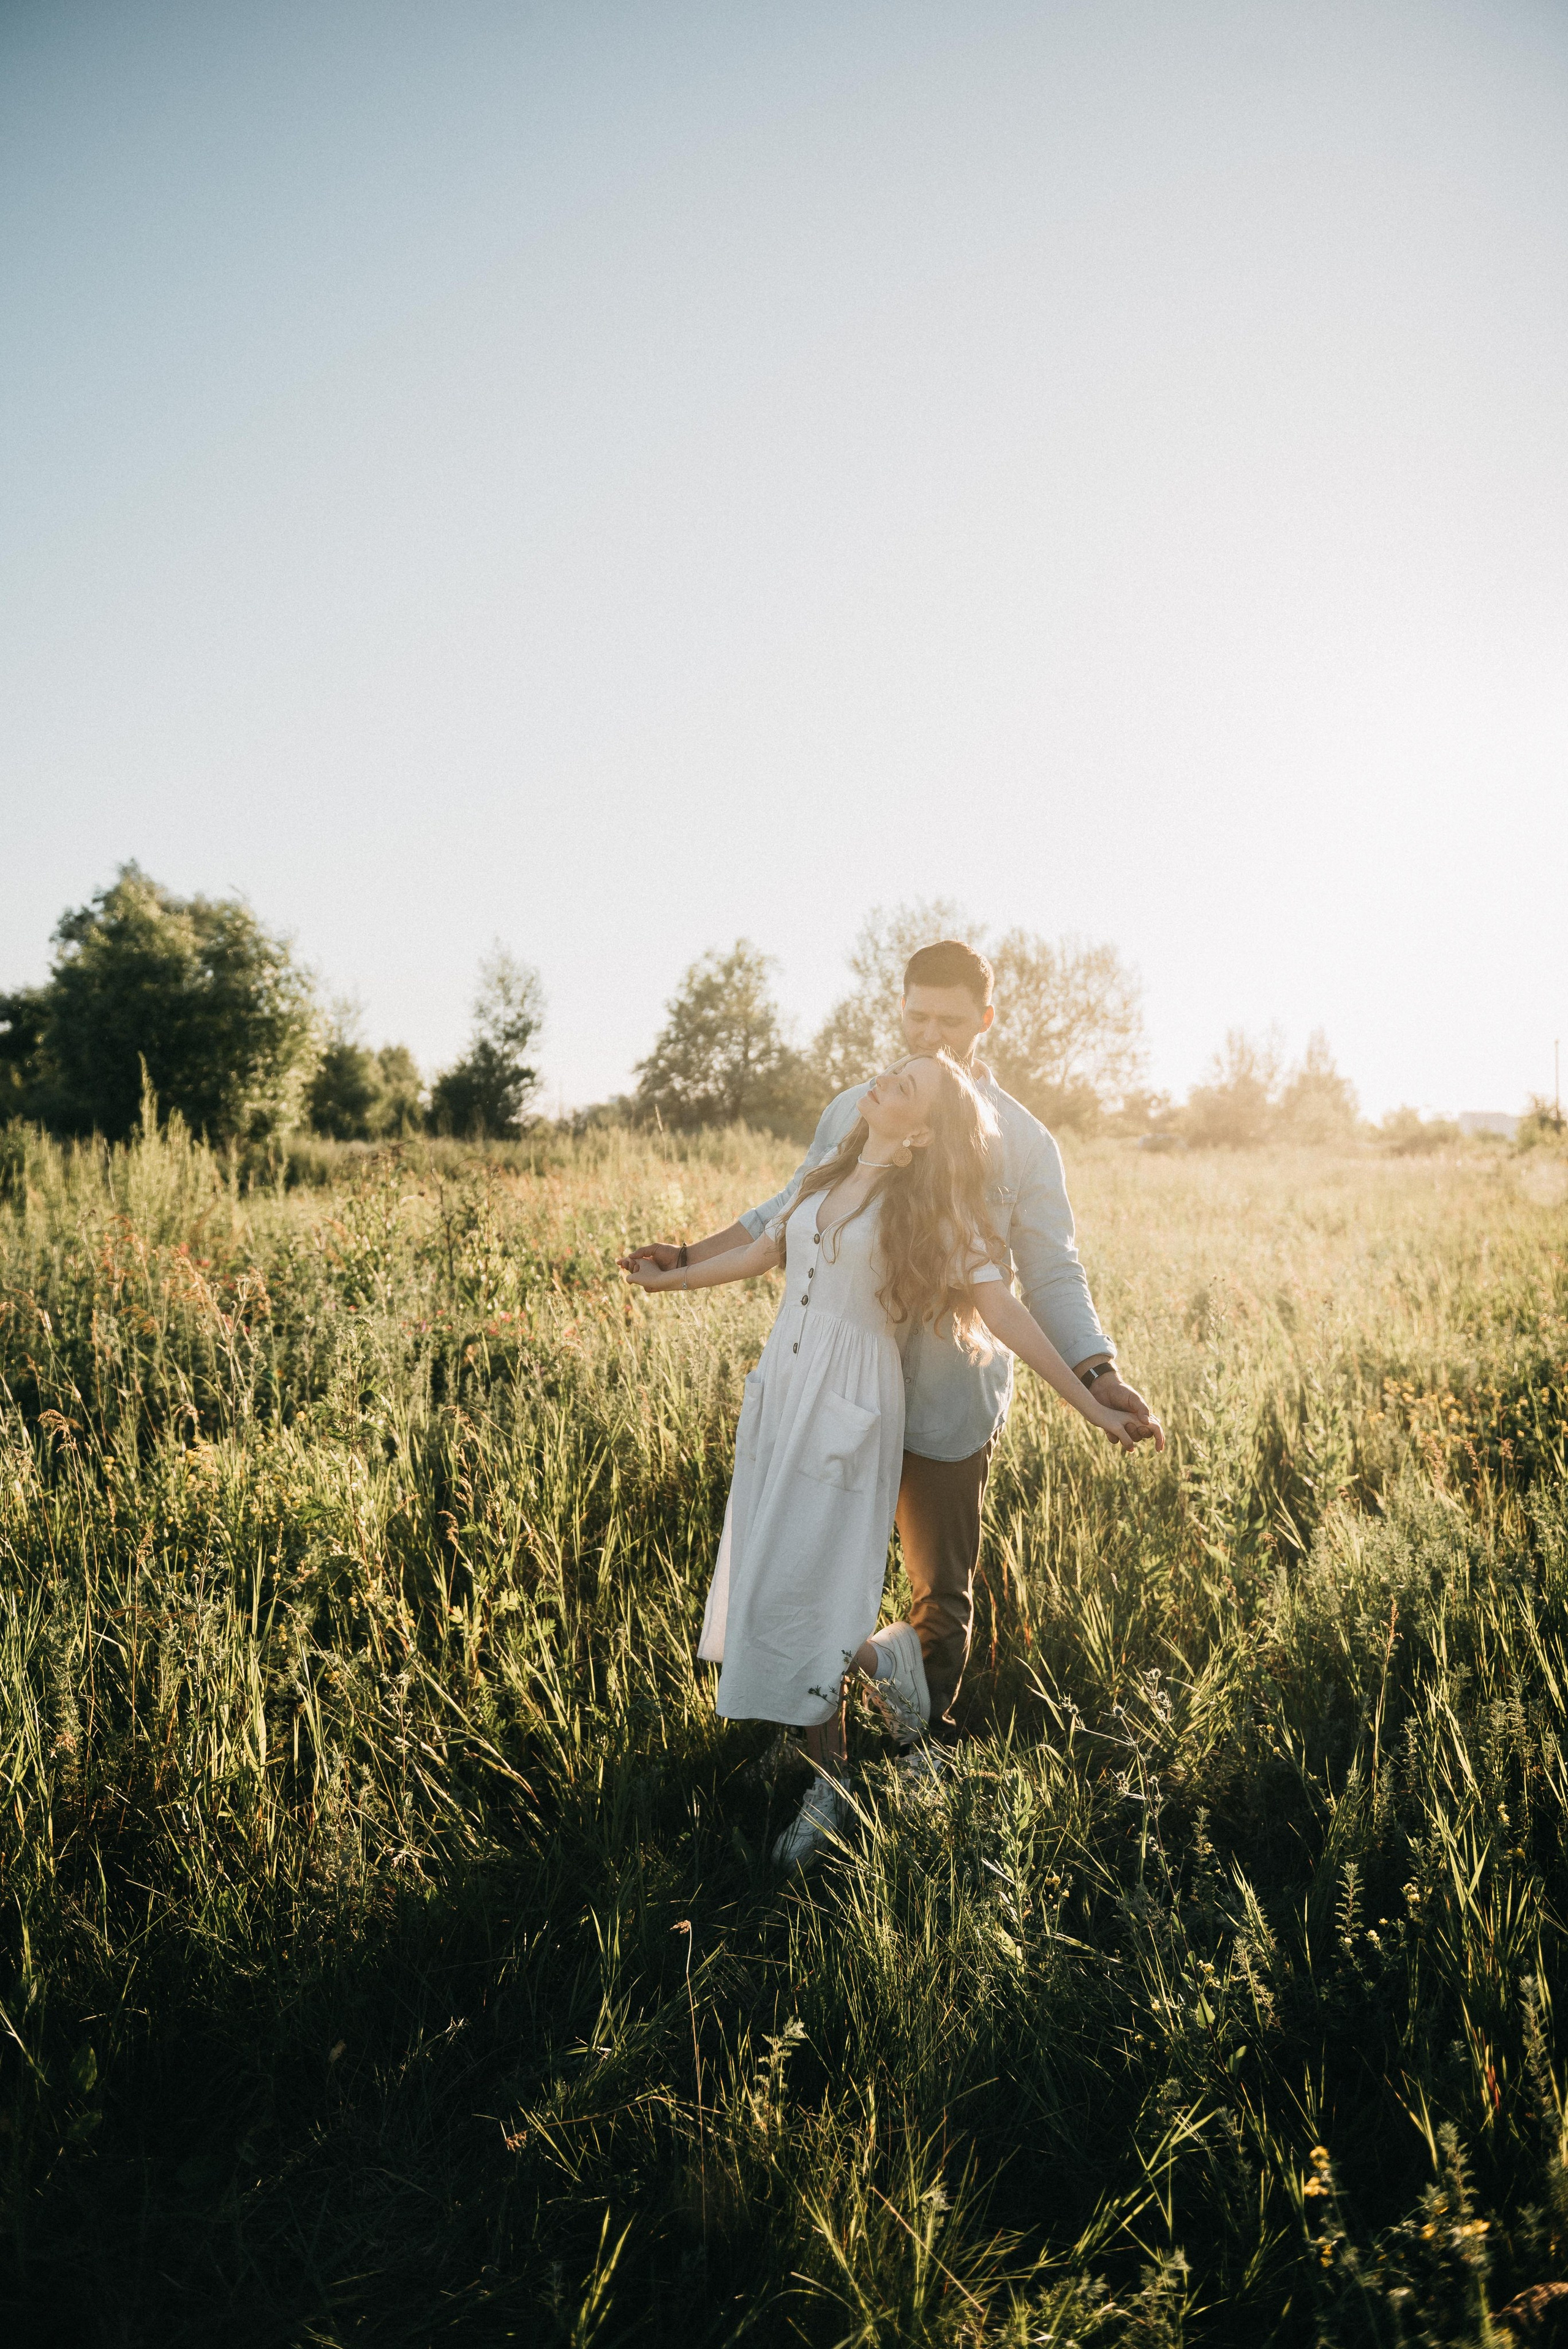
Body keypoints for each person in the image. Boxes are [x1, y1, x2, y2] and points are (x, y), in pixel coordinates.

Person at [622, 940, 1162, 1799]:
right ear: (900, 1009)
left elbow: (1048, 1275)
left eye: (950, 1021)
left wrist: (1098, 1376)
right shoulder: (859, 1105)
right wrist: (687, 1254)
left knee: (937, 1590)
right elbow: (785, 1210)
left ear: (986, 1021)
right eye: (916, 1017)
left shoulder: (1023, 1141)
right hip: (836, 1390)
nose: (931, 1035)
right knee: (804, 1563)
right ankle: (810, 1734)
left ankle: (921, 1746)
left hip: (946, 1396)